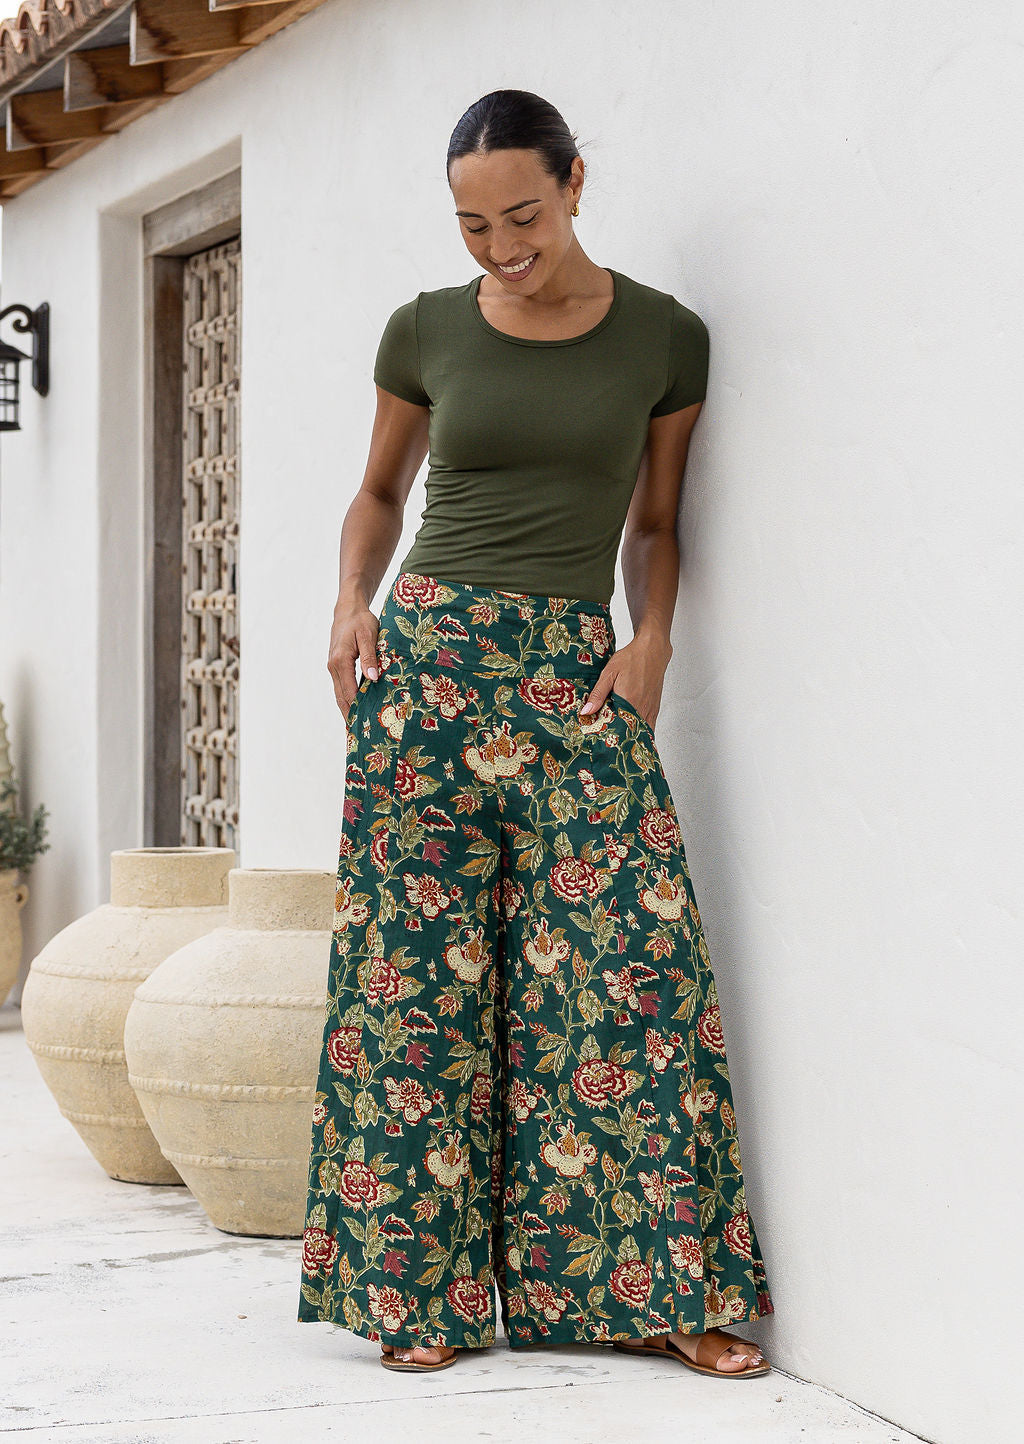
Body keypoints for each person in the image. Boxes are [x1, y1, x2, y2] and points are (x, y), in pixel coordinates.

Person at [297, 89, 775, 1378]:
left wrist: (652, 637)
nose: (502, 246)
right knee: (417, 988)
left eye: (523, 214)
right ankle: (418, 1299)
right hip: (429, 672)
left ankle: (663, 1292)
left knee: (631, 980)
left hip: (574, 675)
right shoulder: (426, 330)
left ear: (574, 182)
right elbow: (381, 490)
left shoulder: (667, 339)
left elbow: (657, 523)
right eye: (472, 225)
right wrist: (351, 601)